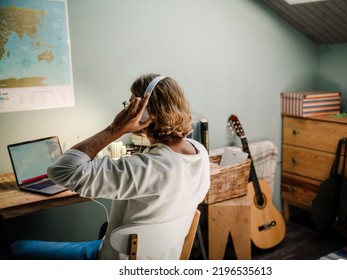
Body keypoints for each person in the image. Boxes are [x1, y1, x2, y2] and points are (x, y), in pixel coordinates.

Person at [11, 74, 211, 260]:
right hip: (161, 260)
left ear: (145, 112)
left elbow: (60, 170)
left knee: (19, 248)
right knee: (105, 231)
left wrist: (115, 129)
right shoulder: (200, 152)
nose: (127, 110)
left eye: (131, 104)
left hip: (115, 260)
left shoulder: (143, 168)